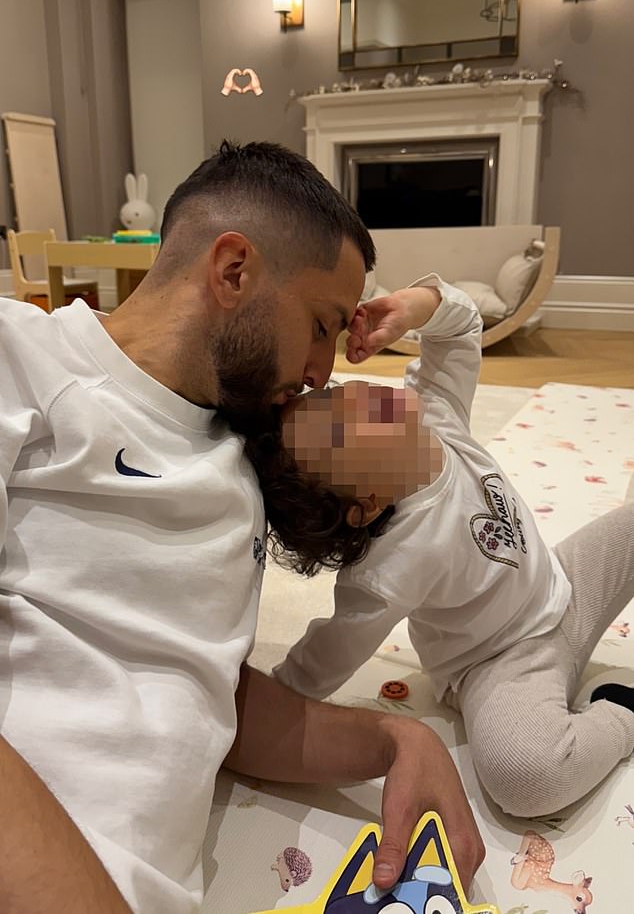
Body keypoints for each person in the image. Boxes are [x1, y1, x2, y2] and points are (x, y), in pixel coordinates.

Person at [0, 143, 483, 914]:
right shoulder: (21, 355)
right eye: (323, 326)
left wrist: (396, 741)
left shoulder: (245, 459)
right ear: (233, 271)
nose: (325, 370)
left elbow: (206, 691)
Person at [258, 273, 634, 819]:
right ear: (365, 501)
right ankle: (620, 721)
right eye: (340, 425)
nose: (352, 396)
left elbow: (460, 332)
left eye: (334, 395)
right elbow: (332, 649)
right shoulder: (389, 566)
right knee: (524, 778)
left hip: (563, 581)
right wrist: (273, 702)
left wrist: (416, 305)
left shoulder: (434, 412)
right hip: (501, 662)